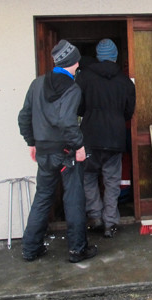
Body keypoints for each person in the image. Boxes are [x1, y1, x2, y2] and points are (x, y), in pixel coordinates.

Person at [18, 39, 97, 263]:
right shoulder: (72, 88)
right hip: (66, 153)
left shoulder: (37, 84)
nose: (78, 65)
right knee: (73, 199)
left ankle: (31, 248)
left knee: (43, 197)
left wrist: (32, 142)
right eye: (77, 61)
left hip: (44, 152)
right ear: (73, 62)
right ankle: (77, 250)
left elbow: (24, 116)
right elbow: (67, 122)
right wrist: (79, 146)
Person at [76, 38, 136, 238]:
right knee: (112, 180)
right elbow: (128, 112)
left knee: (88, 177)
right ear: (115, 57)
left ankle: (95, 216)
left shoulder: (84, 78)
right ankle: (110, 222)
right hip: (115, 138)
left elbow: (78, 108)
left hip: (90, 137)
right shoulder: (125, 82)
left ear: (98, 57)